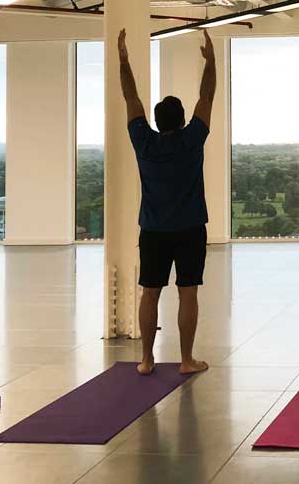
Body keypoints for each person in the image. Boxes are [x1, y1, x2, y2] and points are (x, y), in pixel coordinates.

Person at [118, 28, 215, 376]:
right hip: (190, 229)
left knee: (150, 292)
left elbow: (131, 99)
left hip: (154, 231)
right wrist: (211, 61)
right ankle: (186, 360)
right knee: (188, 293)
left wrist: (124, 61)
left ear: (157, 122)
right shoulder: (192, 140)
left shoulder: (144, 142)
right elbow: (207, 95)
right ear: (182, 118)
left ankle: (146, 360)